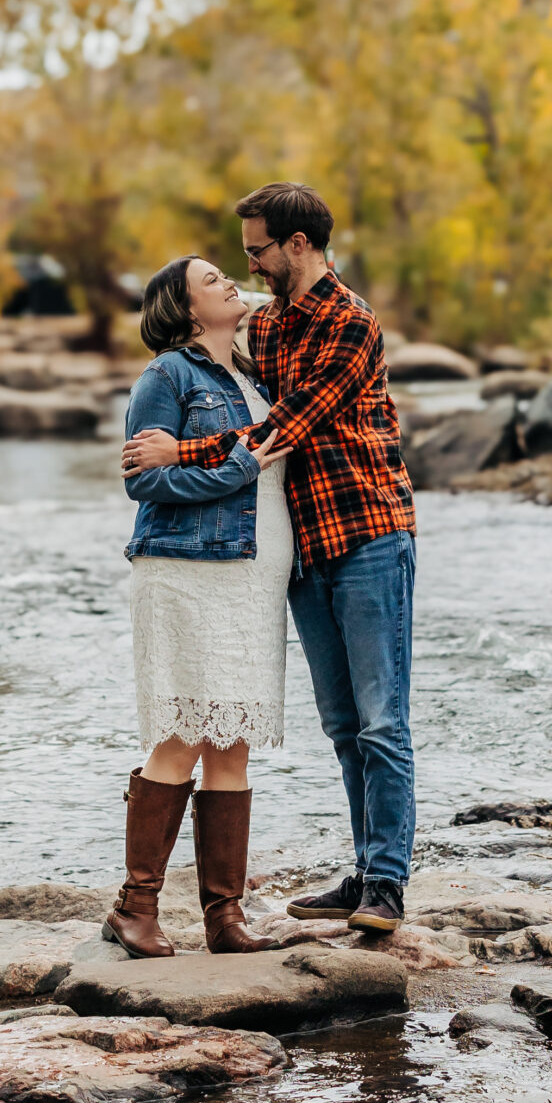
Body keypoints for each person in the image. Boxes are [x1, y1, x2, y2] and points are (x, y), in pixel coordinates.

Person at [124, 182, 416, 935]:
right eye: (238, 257)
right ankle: (353, 876)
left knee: (382, 723)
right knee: (344, 727)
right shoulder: (270, 330)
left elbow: (290, 423)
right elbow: (216, 407)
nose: (247, 266)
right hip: (299, 552)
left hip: (367, 535)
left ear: (297, 244)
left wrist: (180, 449)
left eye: (256, 251)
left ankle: (385, 884)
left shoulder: (351, 323)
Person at [106, 253, 296, 960]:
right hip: (188, 572)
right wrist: (241, 464)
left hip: (254, 573)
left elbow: (300, 289)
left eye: (228, 272)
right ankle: (136, 908)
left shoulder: (253, 372)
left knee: (233, 738)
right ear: (186, 310)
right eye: (211, 279)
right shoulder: (167, 375)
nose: (228, 282)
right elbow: (143, 487)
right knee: (182, 734)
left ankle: (224, 916)